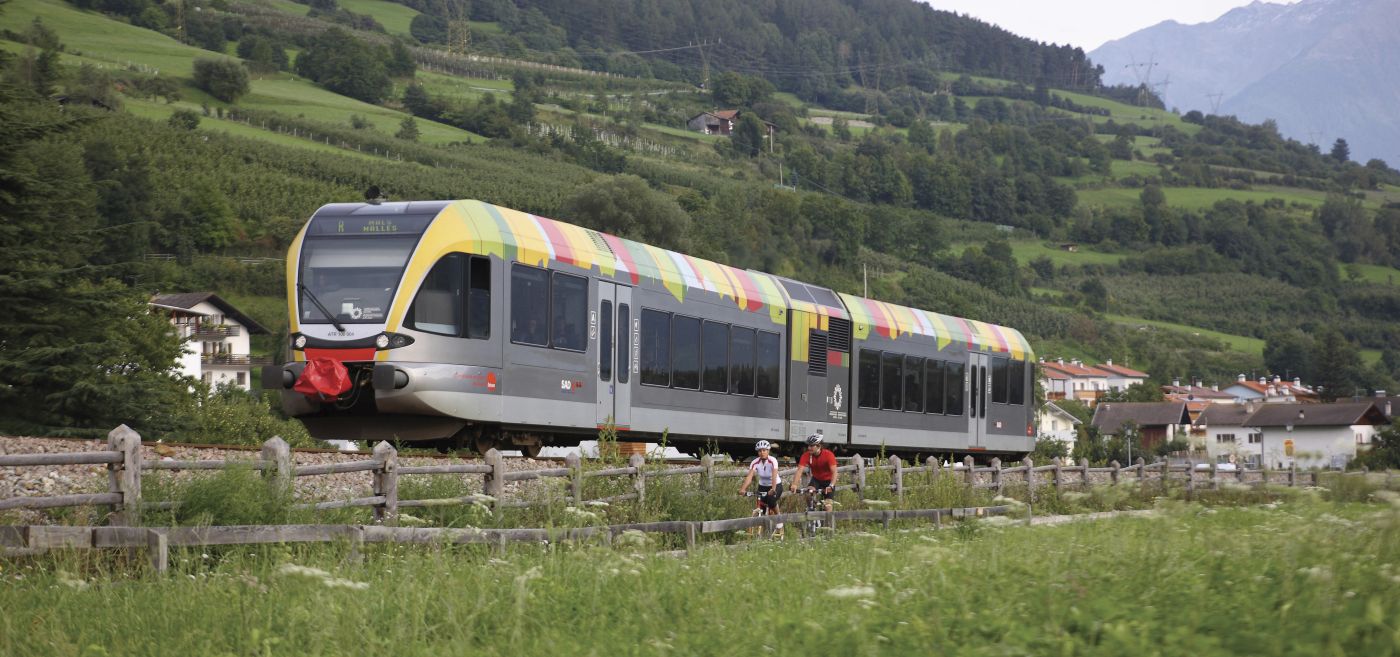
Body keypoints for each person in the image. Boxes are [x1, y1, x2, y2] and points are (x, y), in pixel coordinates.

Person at [738, 440, 784, 536]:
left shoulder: (773, 461)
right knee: (761, 507)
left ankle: (779, 520)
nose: (762, 453)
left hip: (775, 485)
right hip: (762, 486)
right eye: (759, 451)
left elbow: (774, 476)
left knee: (771, 501)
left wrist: (773, 489)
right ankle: (763, 530)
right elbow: (749, 477)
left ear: (768, 451)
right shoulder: (755, 462)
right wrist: (743, 489)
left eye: (764, 450)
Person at [791, 433, 838, 512]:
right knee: (808, 493)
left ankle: (828, 518)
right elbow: (799, 471)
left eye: (812, 446)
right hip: (816, 480)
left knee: (828, 507)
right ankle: (812, 509)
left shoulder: (828, 455)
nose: (809, 448)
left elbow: (835, 472)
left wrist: (831, 485)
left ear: (819, 446)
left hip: (828, 481)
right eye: (808, 445)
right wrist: (794, 484)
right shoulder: (806, 455)